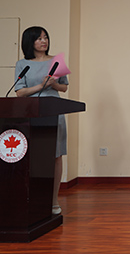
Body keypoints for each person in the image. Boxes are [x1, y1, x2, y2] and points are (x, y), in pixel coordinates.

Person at [14, 26, 69, 215]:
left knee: (55, 155)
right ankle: (33, 200)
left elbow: (64, 88)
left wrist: (54, 84)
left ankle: (53, 201)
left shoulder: (57, 61)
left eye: (45, 37)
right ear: (30, 42)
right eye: (39, 38)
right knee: (33, 156)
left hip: (54, 111)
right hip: (31, 112)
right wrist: (41, 85)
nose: (43, 41)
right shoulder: (22, 64)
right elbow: (20, 92)